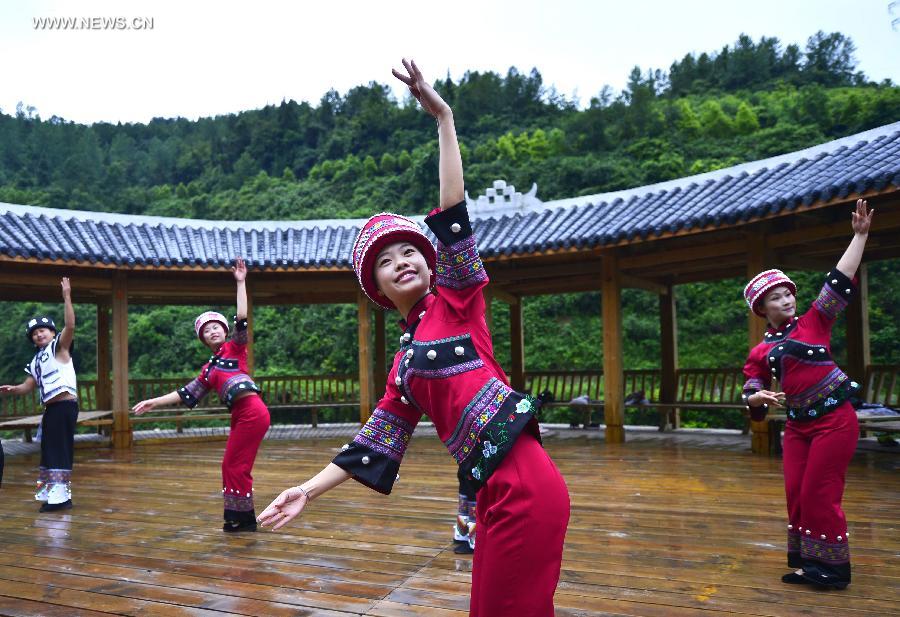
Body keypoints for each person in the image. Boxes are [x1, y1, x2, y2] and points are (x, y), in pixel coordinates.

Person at [258, 59, 570, 617]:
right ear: (375, 286)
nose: (400, 261)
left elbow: (453, 214)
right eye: (385, 260)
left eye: (409, 251)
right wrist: (306, 489)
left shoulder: (458, 301)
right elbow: (374, 440)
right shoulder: (404, 364)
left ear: (430, 265)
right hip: (489, 493)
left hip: (524, 484)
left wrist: (444, 119)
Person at [742, 199, 873, 590]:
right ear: (761, 309)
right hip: (798, 427)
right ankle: (807, 563)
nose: (786, 300)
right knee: (797, 494)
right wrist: (756, 398)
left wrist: (859, 236)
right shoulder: (761, 350)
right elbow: (751, 384)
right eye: (776, 298)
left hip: (834, 420)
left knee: (820, 493)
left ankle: (834, 570)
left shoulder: (815, 321)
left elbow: (839, 277)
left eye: (788, 293)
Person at [132, 258, 270, 532]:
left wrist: (241, 282)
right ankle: (239, 518)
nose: (213, 330)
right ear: (204, 339)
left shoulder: (235, 349)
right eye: (207, 330)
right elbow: (185, 393)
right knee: (232, 465)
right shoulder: (209, 369)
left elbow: (242, 317)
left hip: (253, 411)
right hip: (240, 415)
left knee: (234, 465)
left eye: (216, 326)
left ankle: (241, 520)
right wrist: (153, 402)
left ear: (224, 330)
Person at [1, 277, 78, 512]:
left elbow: (71, 326)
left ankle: (62, 497)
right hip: (51, 409)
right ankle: (54, 494)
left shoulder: (59, 347)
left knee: (59, 450)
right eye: (34, 333)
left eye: (42, 330)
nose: (39, 335)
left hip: (65, 406)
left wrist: (66, 297)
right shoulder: (36, 360)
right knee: (49, 450)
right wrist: (14, 389)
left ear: (53, 332)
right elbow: (28, 385)